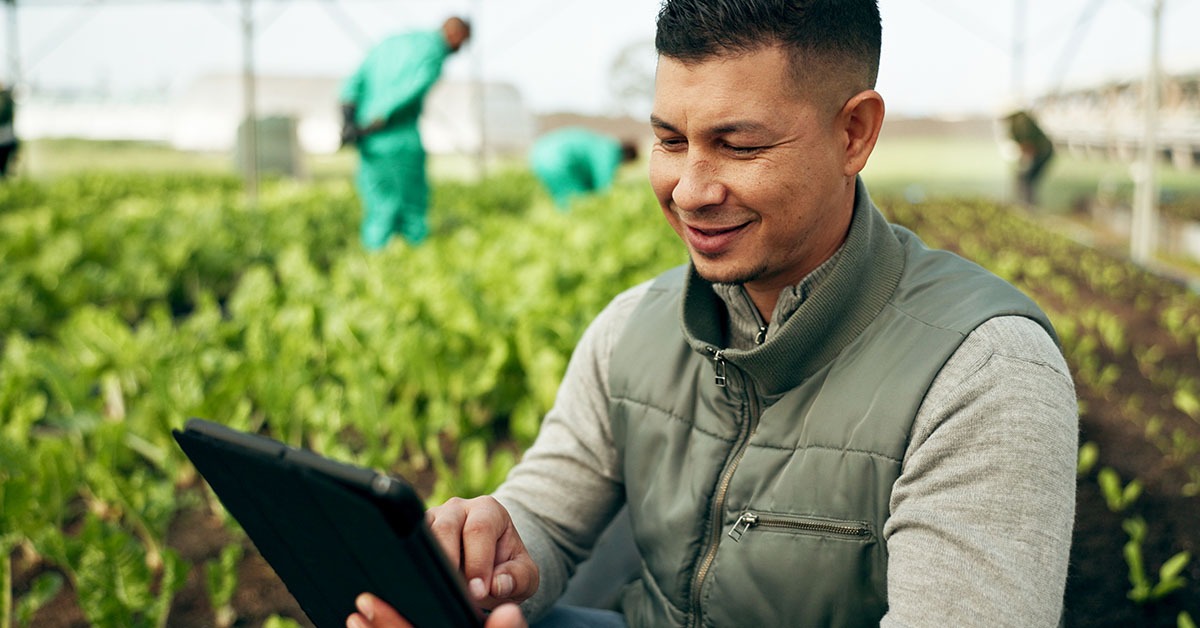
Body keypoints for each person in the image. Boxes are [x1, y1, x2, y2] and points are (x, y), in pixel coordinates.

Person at [348, 1, 1078, 627]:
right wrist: (497, 561)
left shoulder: (983, 372)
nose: (690, 189)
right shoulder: (633, 325)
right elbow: (546, 517)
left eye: (739, 146)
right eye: (671, 140)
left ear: (854, 134)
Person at [340, 17, 471, 250]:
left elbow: (353, 81)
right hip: (399, 138)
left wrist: (349, 120)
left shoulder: (389, 43)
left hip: (369, 143)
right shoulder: (433, 52)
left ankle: (374, 265)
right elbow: (411, 91)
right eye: (463, 43)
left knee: (378, 206)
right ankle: (416, 265)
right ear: (456, 34)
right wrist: (376, 119)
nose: (460, 50)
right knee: (413, 210)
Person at [529, 127, 639, 209]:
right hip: (557, 159)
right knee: (576, 204)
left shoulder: (601, 142)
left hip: (540, 154)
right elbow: (604, 185)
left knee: (563, 200)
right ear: (627, 157)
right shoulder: (610, 151)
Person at [1004, 108, 1055, 208]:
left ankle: (1027, 204)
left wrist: (1025, 160)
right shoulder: (1020, 120)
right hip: (1041, 152)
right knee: (1026, 179)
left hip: (1041, 153)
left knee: (1025, 178)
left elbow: (1028, 145)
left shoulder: (1020, 122)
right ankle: (1027, 203)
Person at [0, 82, 18, 179]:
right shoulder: (8, 98)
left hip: (5, 137)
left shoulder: (5, 99)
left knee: (3, 166)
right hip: (8, 137)